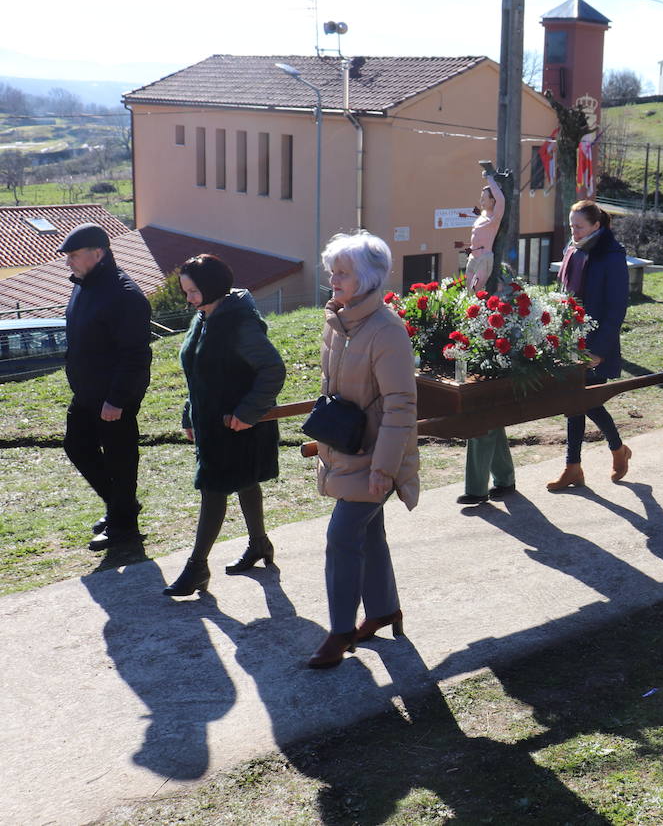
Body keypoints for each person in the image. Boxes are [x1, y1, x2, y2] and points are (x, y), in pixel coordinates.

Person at [309, 231, 420, 670]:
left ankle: (339, 632)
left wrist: (385, 468)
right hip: (346, 449)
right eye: (332, 271)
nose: (333, 279)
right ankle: (383, 609)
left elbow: (401, 405)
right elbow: (329, 388)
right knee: (367, 534)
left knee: (341, 537)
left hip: (376, 456)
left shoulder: (387, 331)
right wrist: (323, 434)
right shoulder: (338, 321)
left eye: (343, 273)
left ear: (369, 279)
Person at [163, 255, 286, 597]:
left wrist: (248, 412)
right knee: (244, 483)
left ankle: (197, 568)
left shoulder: (239, 323)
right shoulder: (204, 316)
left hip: (239, 425)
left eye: (192, 291)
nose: (187, 298)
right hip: (213, 425)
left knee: (213, 488)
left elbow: (273, 369)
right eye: (185, 290)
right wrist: (190, 413)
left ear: (213, 288)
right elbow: (197, 371)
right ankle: (260, 544)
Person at [58, 223, 152, 552]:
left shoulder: (124, 295)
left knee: (120, 460)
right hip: (86, 393)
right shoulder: (83, 285)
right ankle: (120, 508)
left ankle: (124, 527)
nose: (68, 262)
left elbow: (136, 355)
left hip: (113, 398)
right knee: (77, 446)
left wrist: (117, 399)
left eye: (73, 256)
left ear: (98, 254)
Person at [547, 200, 633, 490]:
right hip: (571, 339)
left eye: (579, 226)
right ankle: (576, 466)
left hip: (595, 343)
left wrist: (599, 350)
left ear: (597, 225)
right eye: (572, 225)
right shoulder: (573, 250)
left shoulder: (611, 255)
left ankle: (612, 451)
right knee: (576, 402)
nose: (574, 231)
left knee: (585, 402)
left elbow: (616, 307)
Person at [459, 176, 516, 506]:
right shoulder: (480, 218)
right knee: (489, 420)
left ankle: (478, 488)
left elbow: (501, 201)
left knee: (482, 418)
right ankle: (504, 478)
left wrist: (492, 179)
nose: (481, 199)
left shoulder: (494, 218)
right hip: (481, 344)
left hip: (488, 353)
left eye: (485, 196)